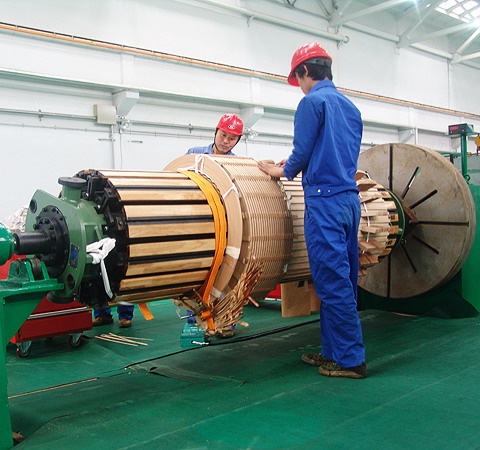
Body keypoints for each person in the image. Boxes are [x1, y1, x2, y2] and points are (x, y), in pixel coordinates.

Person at [258, 43, 366, 379]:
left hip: (325, 202)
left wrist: (283, 170)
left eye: (299, 79)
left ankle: (351, 360)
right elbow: (332, 152)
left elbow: (303, 149)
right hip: (348, 200)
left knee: (332, 282)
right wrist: (298, 163)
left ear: (305, 71)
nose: (300, 87)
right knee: (343, 280)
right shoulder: (349, 106)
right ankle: (334, 352)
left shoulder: (312, 102)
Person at [185, 113, 243, 338]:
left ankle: (226, 321)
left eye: (232, 138)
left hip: (224, 227)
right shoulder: (194, 155)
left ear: (237, 140)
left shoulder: (237, 164)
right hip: (197, 224)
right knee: (196, 272)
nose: (226, 141)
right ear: (216, 132)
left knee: (225, 274)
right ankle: (195, 321)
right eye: (223, 135)